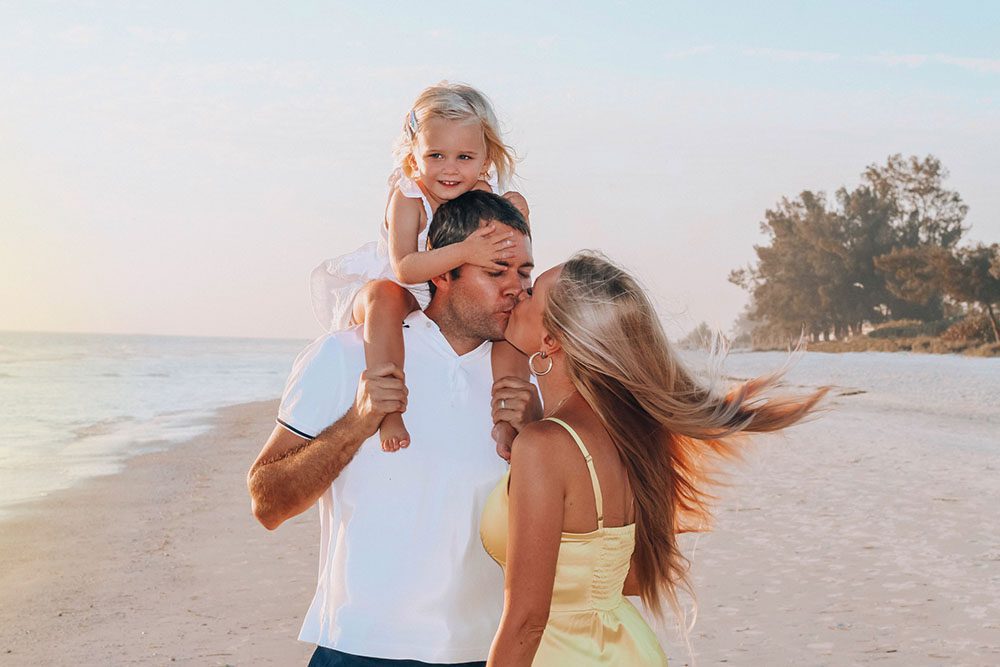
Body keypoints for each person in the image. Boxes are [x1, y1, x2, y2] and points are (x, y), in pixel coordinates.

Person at [480, 251, 827, 665]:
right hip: (623, 647)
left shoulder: (544, 445)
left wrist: (535, 435)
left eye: (531, 291)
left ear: (551, 339)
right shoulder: (626, 433)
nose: (518, 292)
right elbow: (632, 578)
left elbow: (527, 622)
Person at [248, 191, 538, 666]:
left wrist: (535, 435)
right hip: (360, 649)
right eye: (496, 272)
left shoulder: (530, 379)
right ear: (442, 272)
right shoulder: (345, 355)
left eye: (523, 273)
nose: (516, 289)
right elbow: (267, 502)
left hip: (485, 653)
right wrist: (356, 425)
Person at [310, 82, 530, 455]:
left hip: (448, 288)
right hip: (400, 284)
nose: (450, 170)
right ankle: (389, 408)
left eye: (464, 157)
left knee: (507, 330)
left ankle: (508, 421)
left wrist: (515, 219)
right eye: (436, 156)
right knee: (383, 297)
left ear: (485, 156)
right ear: (414, 155)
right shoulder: (409, 197)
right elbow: (406, 267)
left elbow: (511, 258)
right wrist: (466, 250)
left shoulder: (483, 192)